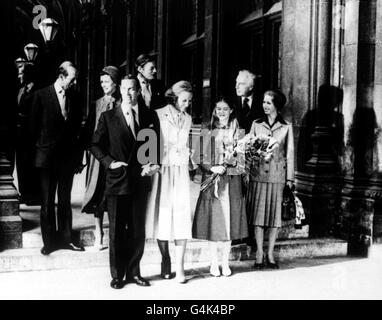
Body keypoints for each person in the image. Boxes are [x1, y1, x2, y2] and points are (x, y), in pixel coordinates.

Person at [90, 75, 154, 289]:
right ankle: (117, 275)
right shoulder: (108, 117)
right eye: (125, 89)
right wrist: (110, 163)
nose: (128, 93)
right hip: (117, 180)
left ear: (138, 91)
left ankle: (134, 272)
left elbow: (153, 147)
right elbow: (95, 145)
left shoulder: (148, 115)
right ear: (120, 91)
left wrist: (152, 163)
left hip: (140, 181)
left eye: (132, 89)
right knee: (117, 230)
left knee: (137, 230)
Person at [30, 61, 85, 255]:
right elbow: (32, 129)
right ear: (61, 77)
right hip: (46, 159)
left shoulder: (75, 97)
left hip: (67, 159)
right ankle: (49, 242)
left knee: (64, 200)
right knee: (46, 202)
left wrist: (78, 158)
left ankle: (67, 239)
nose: (75, 82)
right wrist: (39, 153)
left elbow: (78, 130)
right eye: (72, 79)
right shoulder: (41, 96)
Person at [192, 98, 248, 277]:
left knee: (229, 222)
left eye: (225, 109)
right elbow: (199, 155)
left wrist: (230, 164)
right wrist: (212, 167)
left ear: (231, 110)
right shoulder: (207, 130)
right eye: (218, 109)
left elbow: (242, 159)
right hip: (213, 180)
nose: (221, 112)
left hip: (232, 181)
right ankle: (213, 262)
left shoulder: (238, 131)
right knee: (214, 222)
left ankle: (225, 262)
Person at [145, 80, 193, 283]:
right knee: (162, 217)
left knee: (181, 218)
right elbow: (148, 143)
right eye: (184, 100)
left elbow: (189, 144)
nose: (187, 104)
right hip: (162, 170)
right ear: (174, 97)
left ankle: (180, 267)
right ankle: (166, 259)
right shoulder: (157, 114)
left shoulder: (189, 119)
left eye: (189, 101)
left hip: (180, 172)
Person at [246, 89, 294, 269]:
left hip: (277, 177)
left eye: (268, 103)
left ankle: (270, 253)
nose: (264, 106)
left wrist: (290, 179)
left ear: (276, 106)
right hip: (258, 175)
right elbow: (248, 150)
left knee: (274, 218)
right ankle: (259, 252)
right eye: (264, 102)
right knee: (258, 217)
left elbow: (290, 154)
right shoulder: (256, 124)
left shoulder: (286, 126)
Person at [81, 66, 121, 250]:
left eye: (107, 81)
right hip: (98, 159)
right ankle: (99, 233)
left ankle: (115, 235)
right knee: (97, 196)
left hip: (116, 156)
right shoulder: (96, 104)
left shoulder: (122, 103)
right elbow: (89, 132)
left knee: (114, 196)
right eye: (102, 82)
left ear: (115, 82)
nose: (104, 85)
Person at [15, 63, 41, 205]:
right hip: (20, 132)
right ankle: (24, 193)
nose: (20, 75)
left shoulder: (37, 90)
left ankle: (34, 196)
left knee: (31, 164)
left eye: (22, 72)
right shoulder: (20, 89)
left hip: (32, 132)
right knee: (21, 163)